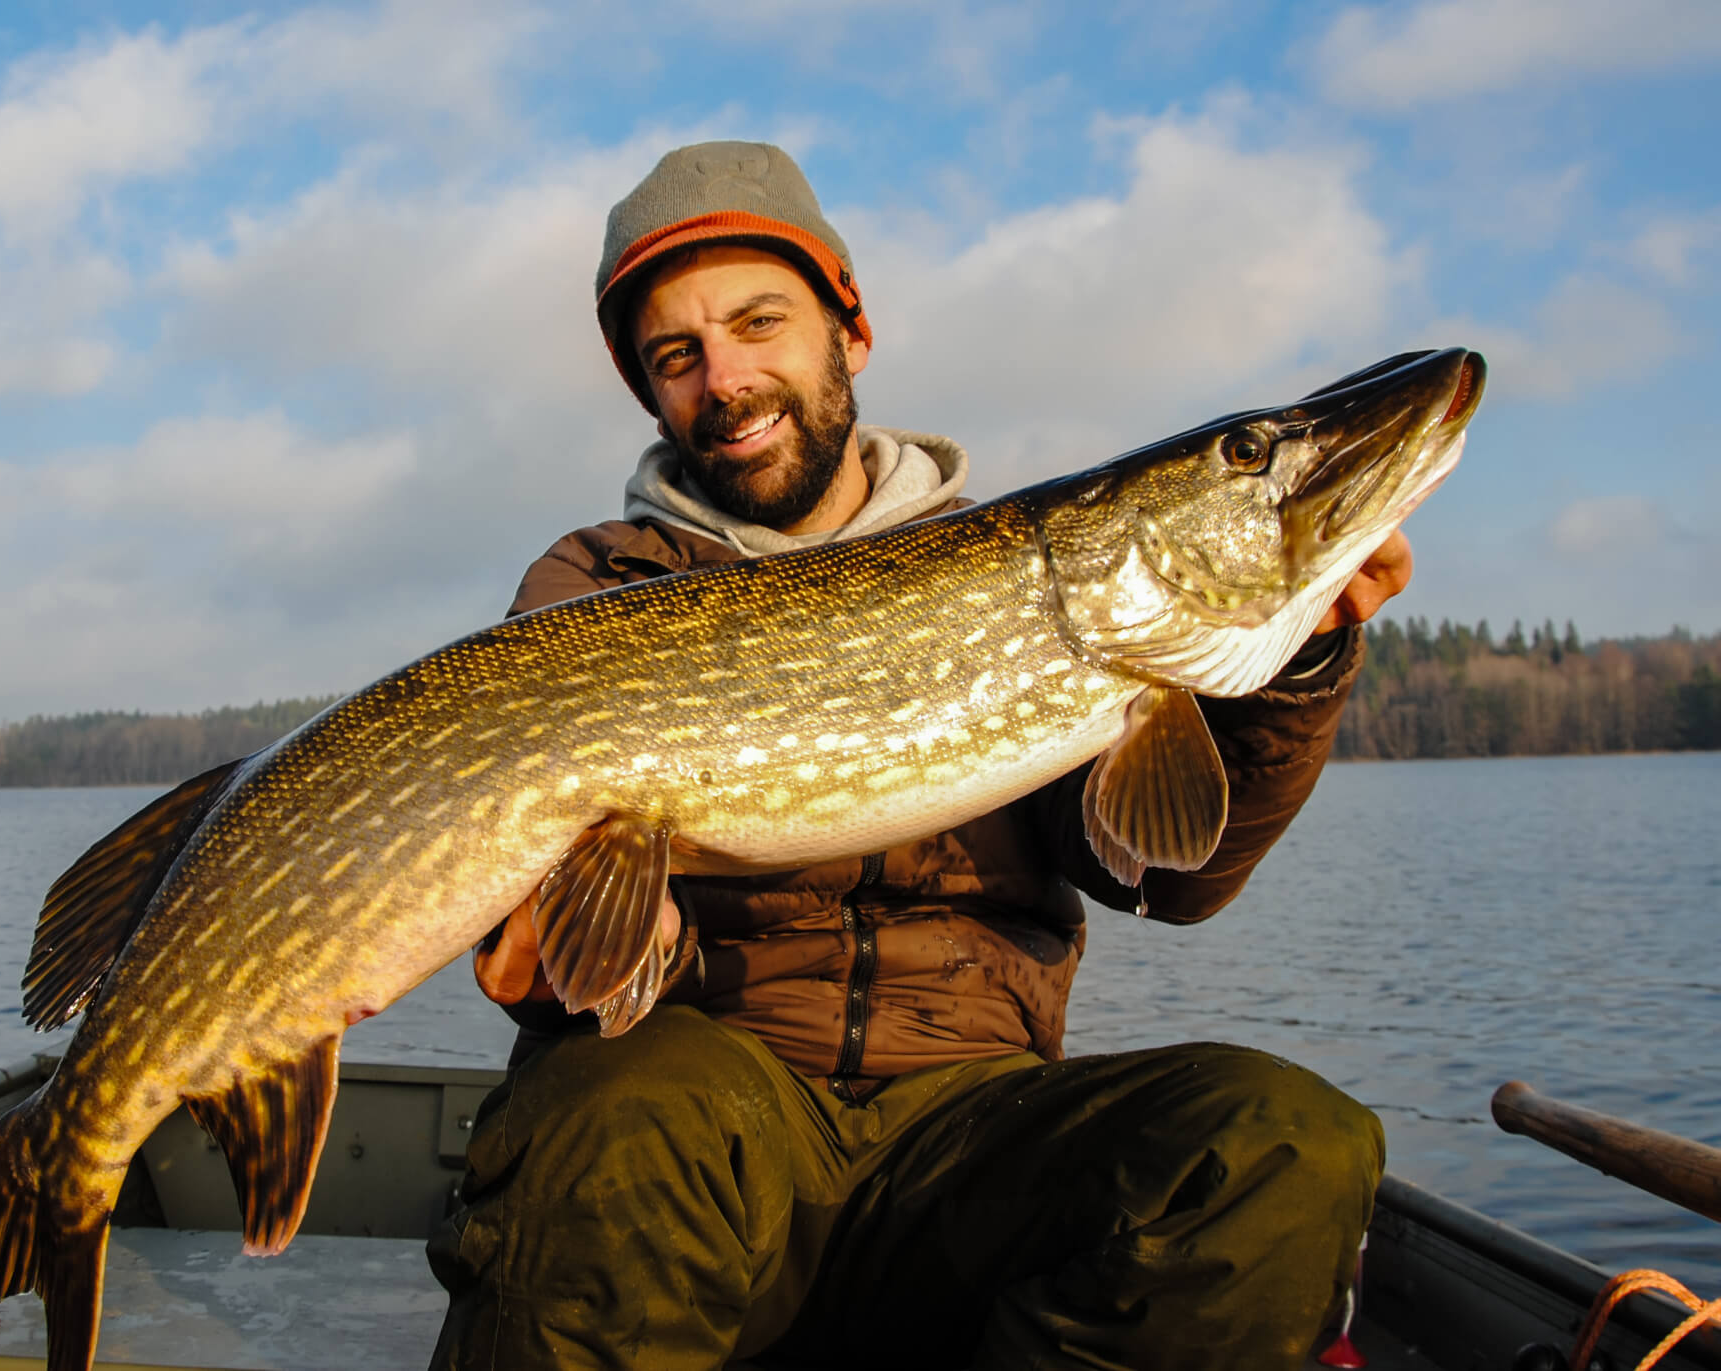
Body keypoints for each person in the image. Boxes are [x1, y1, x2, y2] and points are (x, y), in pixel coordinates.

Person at [427, 142, 1406, 1371]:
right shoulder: (595, 588)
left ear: (850, 332)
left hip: (966, 1133)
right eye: (676, 356)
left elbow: (1169, 877)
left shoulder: (1031, 578)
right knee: (610, 1111)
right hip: (709, 1122)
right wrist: (564, 955)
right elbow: (575, 932)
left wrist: (1296, 664)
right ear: (652, 395)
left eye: (756, 322)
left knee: (1281, 1142)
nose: (724, 379)